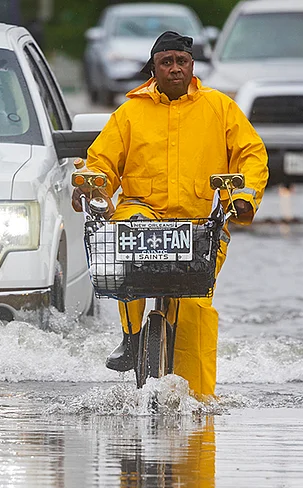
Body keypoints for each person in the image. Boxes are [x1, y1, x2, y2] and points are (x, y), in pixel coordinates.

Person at [72, 30, 269, 398]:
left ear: (192, 66)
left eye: (181, 61)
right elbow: (101, 163)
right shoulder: (129, 111)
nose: (175, 68)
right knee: (124, 242)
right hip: (141, 212)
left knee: (194, 309)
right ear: (154, 68)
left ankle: (196, 400)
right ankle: (132, 340)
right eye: (167, 62)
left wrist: (244, 196)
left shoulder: (220, 107)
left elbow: (252, 154)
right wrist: (90, 184)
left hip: (199, 224)